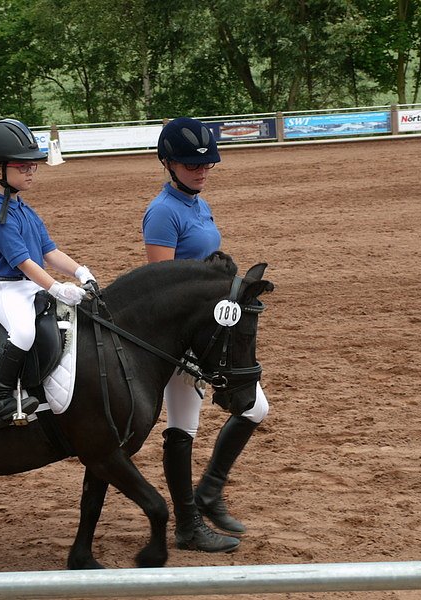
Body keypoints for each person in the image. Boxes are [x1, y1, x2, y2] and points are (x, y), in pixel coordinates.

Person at [142, 117, 270, 553]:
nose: (201, 171)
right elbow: (163, 284)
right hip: (185, 338)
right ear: (168, 163)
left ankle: (209, 493)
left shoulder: (198, 202)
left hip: (210, 330)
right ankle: (187, 524)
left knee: (254, 408)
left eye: (206, 164)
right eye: (190, 165)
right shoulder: (162, 212)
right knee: (183, 429)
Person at [0, 118, 96, 429]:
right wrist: (57, 288)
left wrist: (81, 271)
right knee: (24, 332)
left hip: (26, 285)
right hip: (3, 288)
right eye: (22, 166)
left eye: (32, 166)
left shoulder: (24, 208)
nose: (30, 171)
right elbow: (25, 262)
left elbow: (49, 252)